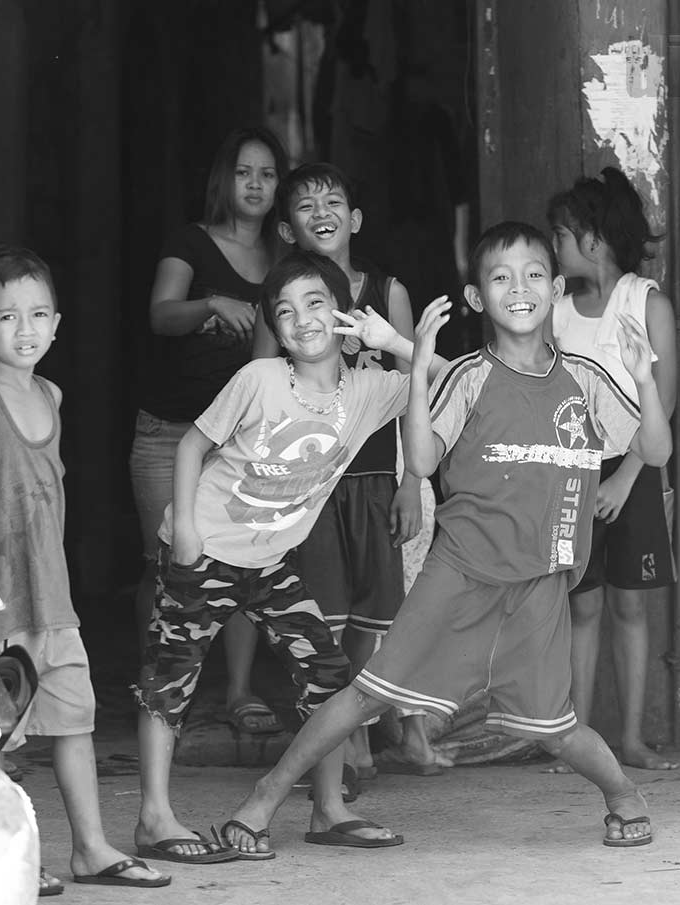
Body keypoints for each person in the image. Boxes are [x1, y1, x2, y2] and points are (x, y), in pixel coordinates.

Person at [218, 221, 670, 854]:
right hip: (457, 573)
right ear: (478, 297)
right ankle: (264, 799)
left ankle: (623, 793)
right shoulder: (468, 377)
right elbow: (424, 462)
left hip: (538, 584)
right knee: (366, 694)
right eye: (501, 277)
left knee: (556, 729)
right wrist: (421, 360)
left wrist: (646, 380)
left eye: (535, 274)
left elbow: (653, 447)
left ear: (557, 287)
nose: (521, 288)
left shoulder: (589, 379)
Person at [134, 250, 453, 859]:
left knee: (330, 681)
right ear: (274, 328)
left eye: (315, 303)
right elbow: (191, 447)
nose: (302, 319)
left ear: (341, 313)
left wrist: (390, 338)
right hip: (204, 553)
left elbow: (448, 376)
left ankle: (329, 809)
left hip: (272, 562)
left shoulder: (367, 389)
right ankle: (153, 818)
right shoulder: (259, 379)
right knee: (169, 681)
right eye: (285, 311)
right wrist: (187, 537)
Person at [0, 246, 170, 894]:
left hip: (51, 596)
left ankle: (89, 847)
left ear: (56, 324)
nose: (24, 329)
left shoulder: (52, 394)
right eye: (6, 316)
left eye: (37, 314)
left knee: (75, 722)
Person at [251, 162, 442, 778]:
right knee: (321, 615)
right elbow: (258, 390)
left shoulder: (386, 292)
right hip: (310, 483)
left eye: (333, 201)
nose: (321, 212)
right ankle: (347, 745)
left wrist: (413, 482)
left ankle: (355, 725)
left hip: (375, 476)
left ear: (355, 219)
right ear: (285, 229)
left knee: (373, 617)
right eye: (305, 206)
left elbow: (420, 386)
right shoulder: (279, 302)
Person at [131, 126, 288, 740]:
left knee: (245, 568)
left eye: (268, 174)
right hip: (170, 429)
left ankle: (240, 691)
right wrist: (212, 306)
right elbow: (160, 314)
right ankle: (159, 687)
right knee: (166, 563)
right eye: (245, 172)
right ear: (224, 180)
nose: (256, 184)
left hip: (245, 438)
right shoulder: (191, 243)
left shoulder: (282, 258)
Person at [547, 167, 680, 772]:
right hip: (572, 471)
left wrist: (625, 478)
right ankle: (575, 739)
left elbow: (666, 402)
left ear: (593, 241)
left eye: (562, 235)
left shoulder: (646, 301)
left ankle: (628, 739)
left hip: (636, 469)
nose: (555, 247)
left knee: (629, 606)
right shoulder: (554, 306)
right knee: (581, 605)